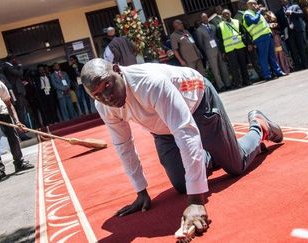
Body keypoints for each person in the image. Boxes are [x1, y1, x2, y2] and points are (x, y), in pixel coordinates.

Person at [80, 58, 284, 240]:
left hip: (198, 104)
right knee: (182, 183)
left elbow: (185, 131)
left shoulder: (150, 82)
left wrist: (196, 199)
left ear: (117, 70)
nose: (106, 96)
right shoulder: (105, 107)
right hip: (163, 129)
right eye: (97, 94)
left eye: (108, 84)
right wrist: (141, 191)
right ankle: (211, 151)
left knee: (236, 165)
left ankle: (260, 127)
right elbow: (123, 145)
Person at [243, 0, 287, 80]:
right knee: (263, 57)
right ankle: (267, 75)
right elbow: (254, 21)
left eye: (255, 4)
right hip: (260, 37)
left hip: (268, 35)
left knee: (272, 56)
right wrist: (259, 11)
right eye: (252, 4)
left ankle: (278, 72)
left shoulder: (257, 13)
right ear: (248, 6)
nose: (254, 5)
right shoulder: (247, 14)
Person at [196, 13, 232, 91]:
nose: (205, 19)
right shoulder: (199, 30)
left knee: (224, 67)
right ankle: (221, 86)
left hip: (218, 49)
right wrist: (207, 50)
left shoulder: (213, 26)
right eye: (203, 18)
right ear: (201, 20)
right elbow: (201, 44)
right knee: (215, 70)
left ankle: (228, 84)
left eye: (206, 17)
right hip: (210, 52)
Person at [217, 9, 251, 87]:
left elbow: (244, 33)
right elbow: (220, 40)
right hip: (230, 50)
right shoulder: (220, 26)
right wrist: (223, 52)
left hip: (240, 47)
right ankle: (238, 83)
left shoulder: (237, 22)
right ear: (222, 16)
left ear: (230, 14)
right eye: (224, 14)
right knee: (234, 67)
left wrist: (248, 43)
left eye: (227, 13)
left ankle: (247, 81)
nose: (226, 15)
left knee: (243, 65)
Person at [276, 0, 308, 70]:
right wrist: (282, 34)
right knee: (293, 50)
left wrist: (292, 13)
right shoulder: (278, 12)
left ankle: (305, 64)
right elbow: (280, 25)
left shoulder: (295, 6)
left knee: (301, 47)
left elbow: (301, 14)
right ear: (280, 2)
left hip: (297, 30)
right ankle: (298, 66)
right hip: (288, 33)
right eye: (281, 1)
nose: (283, 1)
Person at [263, 8, 292, 74]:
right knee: (273, 54)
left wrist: (271, 23)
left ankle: (284, 68)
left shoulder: (269, 13)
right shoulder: (259, 15)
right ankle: (277, 70)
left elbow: (275, 22)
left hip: (275, 35)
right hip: (268, 35)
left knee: (279, 51)